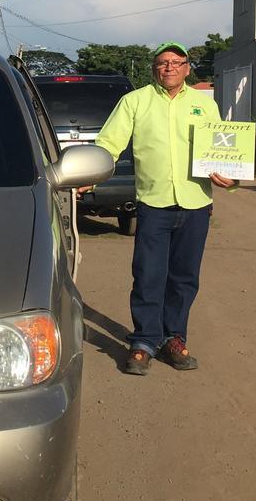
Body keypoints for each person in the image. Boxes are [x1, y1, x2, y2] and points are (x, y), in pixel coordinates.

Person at [90, 42, 235, 376]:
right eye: (162, 62)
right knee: (148, 274)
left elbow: (224, 149)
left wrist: (232, 178)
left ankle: (174, 338)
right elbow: (109, 144)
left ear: (187, 68)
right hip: (154, 203)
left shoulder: (204, 106)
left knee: (184, 278)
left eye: (176, 62)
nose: (169, 67)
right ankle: (143, 341)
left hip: (196, 204)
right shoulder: (134, 101)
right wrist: (91, 175)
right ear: (154, 69)